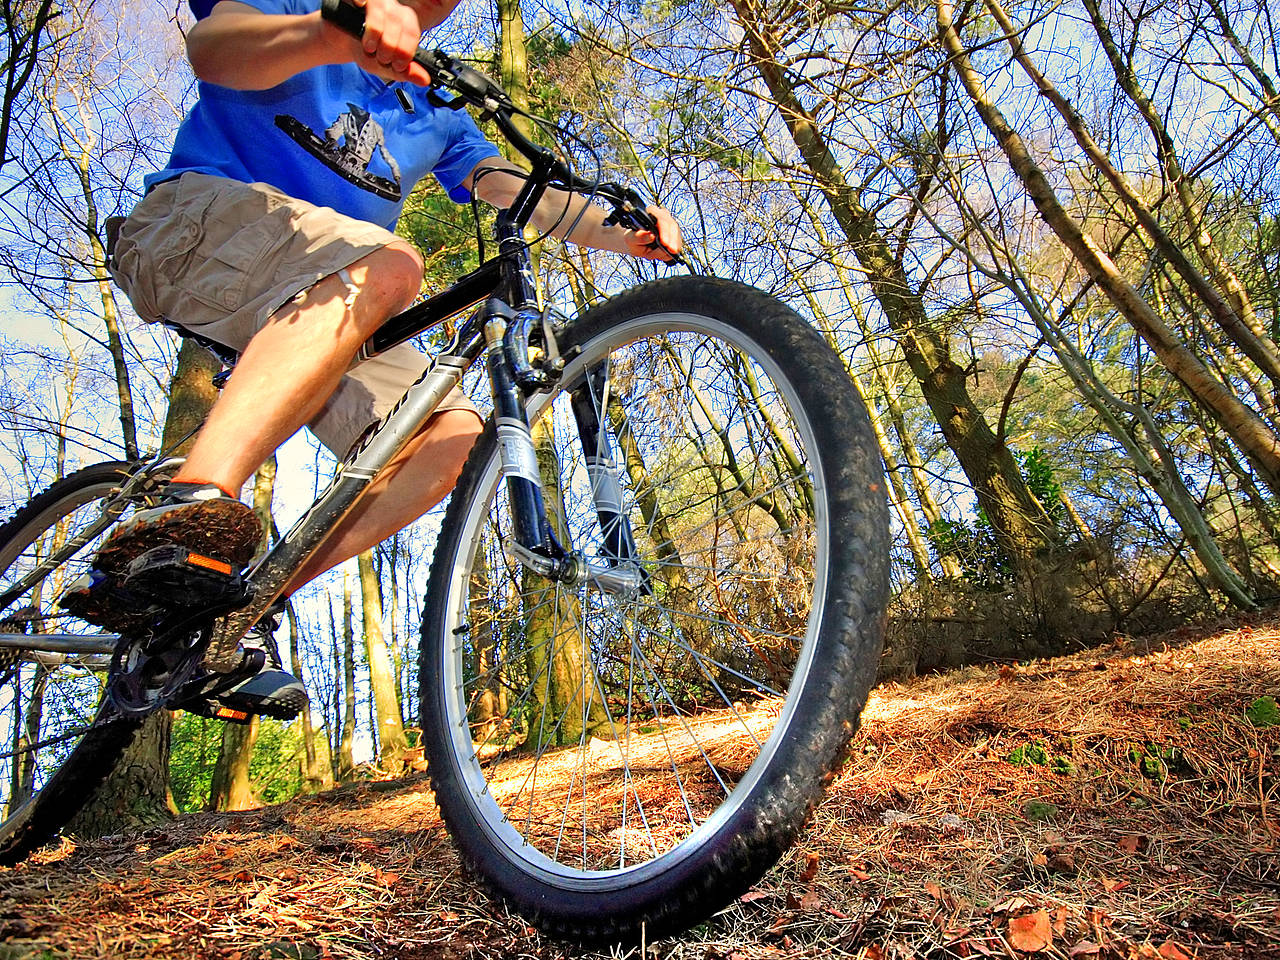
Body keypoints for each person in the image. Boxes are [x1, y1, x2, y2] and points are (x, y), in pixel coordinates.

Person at [93, 0, 684, 720]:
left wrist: (624, 230)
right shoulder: (307, 9)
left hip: (324, 292)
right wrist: (327, 33)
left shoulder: (433, 104)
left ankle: (235, 608)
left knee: (455, 442)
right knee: (392, 265)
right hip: (191, 226)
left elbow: (511, 189)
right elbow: (214, 50)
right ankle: (199, 497)